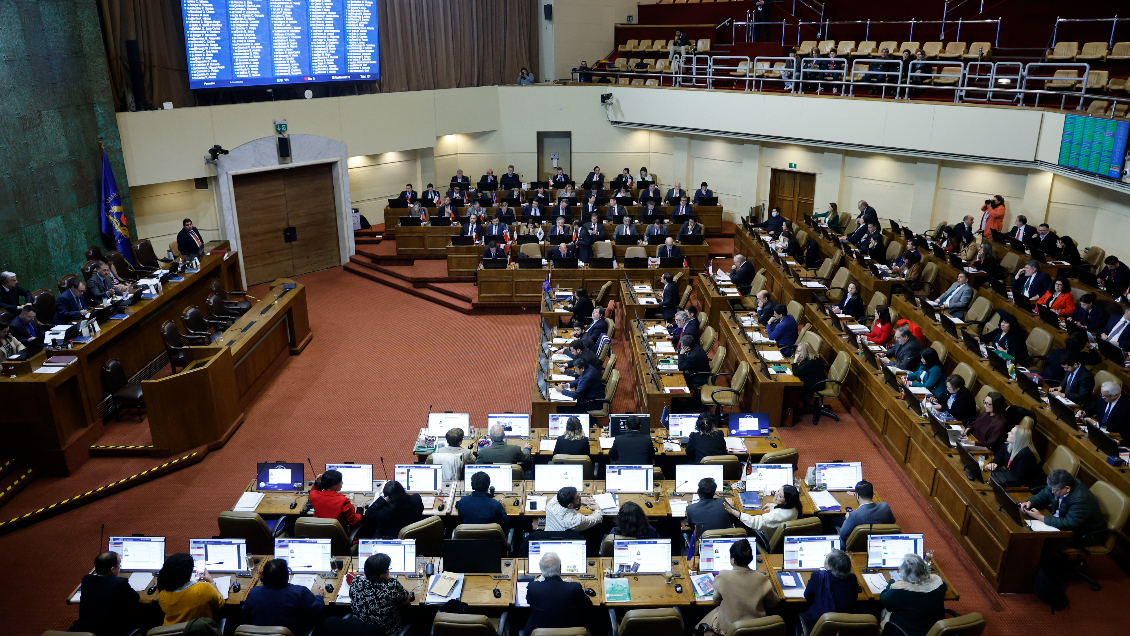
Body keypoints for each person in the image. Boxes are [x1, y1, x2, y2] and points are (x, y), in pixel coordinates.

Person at [699, 539, 779, 634]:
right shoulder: (762, 579)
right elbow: (773, 602)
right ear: (751, 558)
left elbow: (716, 600)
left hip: (728, 631)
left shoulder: (723, 576)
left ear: (733, 560)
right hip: (756, 631)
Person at [242, 558, 324, 634]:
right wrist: (318, 596)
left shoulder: (253, 593)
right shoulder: (299, 593)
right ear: (286, 576)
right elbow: (318, 610)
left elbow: (245, 616)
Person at [1023, 469, 1106, 540]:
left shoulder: (1081, 499)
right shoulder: (1057, 485)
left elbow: (1070, 523)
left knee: (1044, 541)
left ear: (1067, 488)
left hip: (1081, 534)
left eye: (1055, 490)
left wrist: (1040, 517)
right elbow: (1044, 495)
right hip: (1060, 521)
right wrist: (1030, 502)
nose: (1052, 491)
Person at [70, 551, 140, 636]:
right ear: (112, 570)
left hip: (85, 629)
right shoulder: (119, 583)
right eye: (119, 565)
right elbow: (135, 598)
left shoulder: (86, 579)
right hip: (107, 631)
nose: (120, 567)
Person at [523, 551, 593, 634]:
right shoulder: (574, 587)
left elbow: (528, 601)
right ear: (560, 568)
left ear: (541, 570)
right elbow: (588, 604)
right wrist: (569, 584)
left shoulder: (533, 587)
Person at [878, 554, 945, 636]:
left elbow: (884, 600)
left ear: (904, 574)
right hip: (934, 630)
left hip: (908, 631)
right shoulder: (939, 584)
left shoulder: (900, 591)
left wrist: (891, 581)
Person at [349, 553, 412, 636]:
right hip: (386, 632)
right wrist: (391, 578)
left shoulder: (356, 582)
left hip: (360, 631)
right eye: (387, 569)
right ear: (381, 575)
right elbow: (407, 599)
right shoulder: (392, 586)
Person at [156, 553, 225, 624]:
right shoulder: (204, 588)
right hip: (199, 631)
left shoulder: (163, 595)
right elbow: (220, 605)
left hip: (170, 632)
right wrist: (212, 582)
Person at [800, 549, 857, 631]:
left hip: (820, 623)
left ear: (829, 566)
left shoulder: (817, 576)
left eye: (826, 558)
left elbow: (808, 597)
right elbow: (854, 597)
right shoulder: (852, 578)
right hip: (845, 624)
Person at [723, 484, 802, 532]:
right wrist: (773, 505)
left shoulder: (776, 514)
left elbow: (754, 522)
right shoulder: (796, 507)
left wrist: (732, 509)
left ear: (787, 502)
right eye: (778, 491)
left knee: (737, 519)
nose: (776, 494)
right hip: (777, 533)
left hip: (765, 535)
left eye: (780, 496)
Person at [792, 342, 825, 406]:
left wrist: (795, 360)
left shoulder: (809, 362)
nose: (797, 353)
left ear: (804, 352)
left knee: (792, 386)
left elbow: (796, 373)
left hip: (815, 385)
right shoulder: (813, 357)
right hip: (815, 380)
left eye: (799, 351)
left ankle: (793, 405)